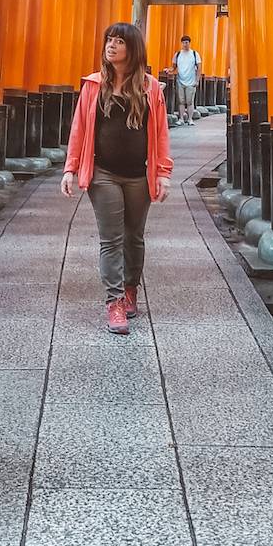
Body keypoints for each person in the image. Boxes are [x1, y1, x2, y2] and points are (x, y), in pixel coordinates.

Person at [62, 22, 172, 335]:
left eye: (119, 41)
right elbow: (79, 129)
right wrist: (70, 168)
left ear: (132, 49)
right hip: (103, 174)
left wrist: (163, 172)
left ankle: (130, 288)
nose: (111, 46)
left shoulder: (151, 88)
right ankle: (114, 303)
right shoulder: (94, 86)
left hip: (139, 175)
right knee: (111, 240)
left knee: (134, 238)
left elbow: (161, 133)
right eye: (109, 40)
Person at [172, 34, 201, 125]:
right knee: (181, 101)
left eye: (187, 42)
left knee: (189, 101)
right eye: (184, 43)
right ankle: (181, 118)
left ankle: (190, 119)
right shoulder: (178, 54)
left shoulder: (194, 54)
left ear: (189, 43)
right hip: (180, 80)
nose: (185, 44)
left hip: (191, 81)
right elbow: (173, 67)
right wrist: (169, 70)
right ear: (181, 43)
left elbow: (199, 67)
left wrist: (197, 80)